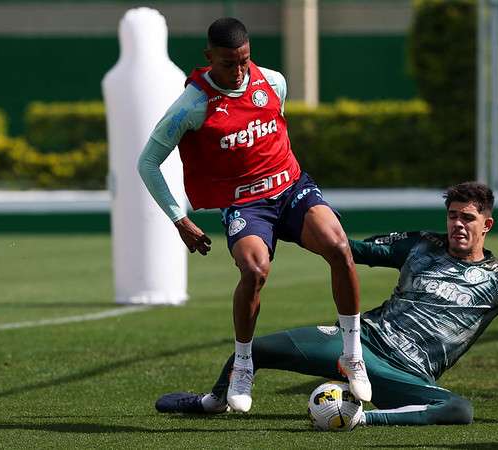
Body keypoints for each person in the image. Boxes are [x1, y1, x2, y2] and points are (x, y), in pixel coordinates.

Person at [155, 181, 498, 426]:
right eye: (453, 216)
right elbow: (353, 249)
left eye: (468, 218)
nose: (458, 225)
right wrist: (284, 224)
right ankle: (211, 402)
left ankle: (362, 418)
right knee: (251, 348)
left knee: (457, 409)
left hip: (405, 372)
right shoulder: (421, 245)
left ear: (487, 225)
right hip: (361, 344)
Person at [137, 17, 370, 413]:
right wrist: (180, 219)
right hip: (246, 204)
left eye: (245, 60)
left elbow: (274, 127)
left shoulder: (274, 82)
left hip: (292, 187)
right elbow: (147, 163)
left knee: (339, 246)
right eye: (229, 63)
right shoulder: (191, 105)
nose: (240, 70)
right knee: (254, 270)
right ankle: (243, 365)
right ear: (209, 57)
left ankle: (352, 355)